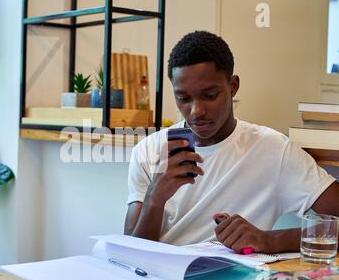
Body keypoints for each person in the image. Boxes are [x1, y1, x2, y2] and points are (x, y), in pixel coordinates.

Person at [124, 31, 339, 253]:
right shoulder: (148, 151)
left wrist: (268, 240)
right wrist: (154, 198)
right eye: (184, 99)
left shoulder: (273, 149)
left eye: (209, 96)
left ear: (233, 86)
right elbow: (129, 252)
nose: (196, 111)